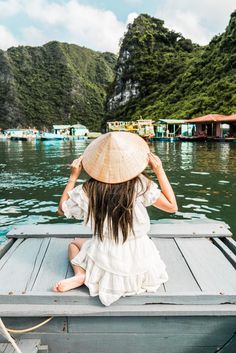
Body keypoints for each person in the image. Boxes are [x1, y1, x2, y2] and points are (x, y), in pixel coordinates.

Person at [53, 132, 178, 306]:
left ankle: (81, 275)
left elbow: (61, 209)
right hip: (139, 261)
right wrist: (159, 170)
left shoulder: (89, 189)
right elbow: (172, 207)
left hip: (104, 253)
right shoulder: (140, 184)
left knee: (74, 244)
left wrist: (73, 176)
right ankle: (84, 275)